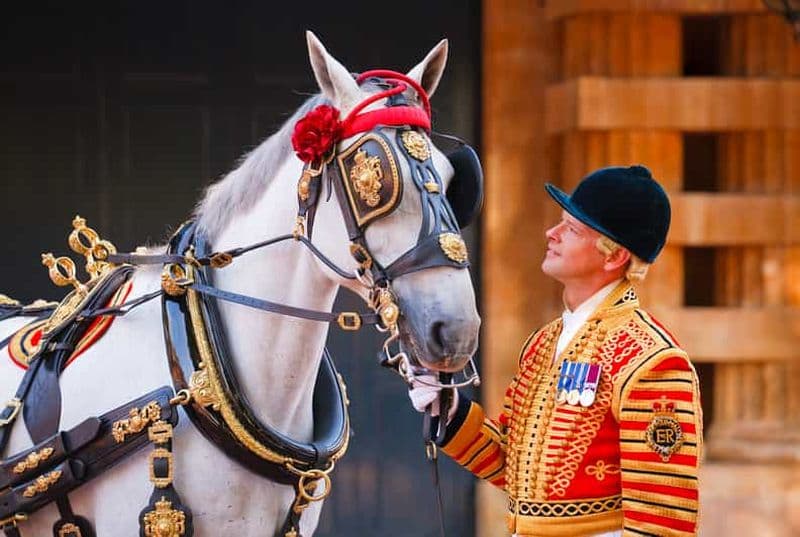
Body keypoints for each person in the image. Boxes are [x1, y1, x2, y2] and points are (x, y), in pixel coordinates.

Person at [410, 165, 703, 537]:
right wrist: (450, 409)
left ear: (614, 256)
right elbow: (515, 469)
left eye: (572, 229)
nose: (552, 233)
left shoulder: (651, 361)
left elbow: (661, 519)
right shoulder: (543, 343)